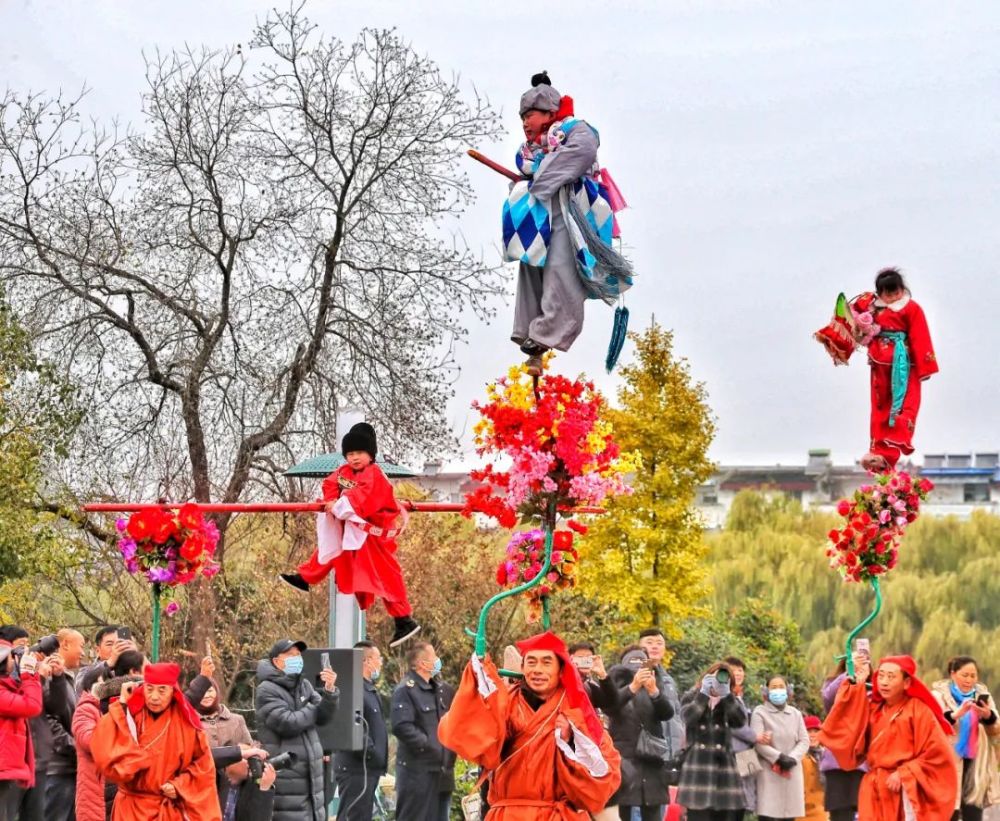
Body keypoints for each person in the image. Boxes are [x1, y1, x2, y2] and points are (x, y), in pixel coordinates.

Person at [505, 72, 632, 374]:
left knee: (562, 268)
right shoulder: (529, 150)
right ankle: (530, 332)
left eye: (530, 115)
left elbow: (583, 152)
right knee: (532, 264)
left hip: (571, 210)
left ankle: (548, 330)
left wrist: (541, 176)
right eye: (522, 116)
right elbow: (525, 167)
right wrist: (536, 176)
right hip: (540, 213)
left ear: (549, 113)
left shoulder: (576, 130)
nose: (525, 122)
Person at [439, 630, 622, 820]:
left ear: (561, 669)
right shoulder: (505, 702)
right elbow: (467, 736)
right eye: (531, 662)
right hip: (507, 814)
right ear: (523, 667)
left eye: (546, 662)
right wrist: (479, 678)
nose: (537, 670)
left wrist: (571, 742)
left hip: (557, 815)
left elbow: (605, 771)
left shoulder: (575, 709)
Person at [280, 422, 421, 647]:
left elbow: (363, 499)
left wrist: (339, 504)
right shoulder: (344, 472)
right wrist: (332, 502)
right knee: (332, 548)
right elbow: (330, 484)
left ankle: (403, 618)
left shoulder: (375, 474)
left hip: (371, 534)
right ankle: (306, 577)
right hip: (353, 527)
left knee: (386, 573)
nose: (354, 458)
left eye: (360, 453)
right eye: (350, 453)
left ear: (371, 454)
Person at [820, 654, 958, 820]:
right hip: (873, 788)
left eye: (891, 677)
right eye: (881, 676)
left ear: (906, 682)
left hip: (902, 789)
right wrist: (857, 682)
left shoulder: (919, 710)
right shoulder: (874, 708)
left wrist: (905, 772)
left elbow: (938, 754)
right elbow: (849, 721)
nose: (884, 682)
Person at [90, 661, 221, 820]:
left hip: (165, 810)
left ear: (173, 691)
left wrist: (180, 785)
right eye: (149, 688)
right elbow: (105, 750)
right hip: (129, 809)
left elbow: (203, 767)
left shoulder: (186, 722)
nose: (154, 697)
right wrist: (123, 702)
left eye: (162, 690)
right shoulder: (130, 713)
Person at [852, 268, 938, 472]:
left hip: (903, 365)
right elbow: (854, 317)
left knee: (902, 406)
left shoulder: (912, 308)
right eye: (887, 293)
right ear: (879, 293)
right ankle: (878, 452)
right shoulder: (873, 308)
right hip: (879, 363)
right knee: (879, 407)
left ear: (902, 289)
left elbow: (920, 335)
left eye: (895, 292)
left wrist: (925, 367)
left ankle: (894, 446)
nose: (892, 297)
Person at [255, 638, 339, 821]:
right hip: (287, 776)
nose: (297, 659)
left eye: (298, 655)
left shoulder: (304, 685)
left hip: (311, 778)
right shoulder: (266, 689)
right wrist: (312, 707)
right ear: (277, 661)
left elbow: (324, 716)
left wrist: (329, 691)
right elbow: (288, 723)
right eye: (291, 655)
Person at [605, 646, 674, 821]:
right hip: (623, 757)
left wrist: (654, 692)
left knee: (652, 809)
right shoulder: (614, 683)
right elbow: (610, 707)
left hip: (652, 757)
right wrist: (633, 686)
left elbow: (667, 713)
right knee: (623, 809)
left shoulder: (655, 681)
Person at [392, 642, 456, 821]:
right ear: (421, 664)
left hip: (442, 771)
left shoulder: (439, 689)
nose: (437, 661)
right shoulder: (406, 690)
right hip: (418, 773)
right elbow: (402, 726)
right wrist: (430, 745)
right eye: (433, 657)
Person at [931, 656, 1000, 820]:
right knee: (949, 810)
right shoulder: (938, 696)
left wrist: (987, 715)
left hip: (976, 761)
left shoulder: (983, 695)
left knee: (973, 811)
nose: (969, 680)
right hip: (948, 761)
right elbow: (933, 723)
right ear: (953, 674)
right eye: (965, 675)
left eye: (973, 675)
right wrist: (956, 714)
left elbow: (996, 728)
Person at [677, 662, 746, 821]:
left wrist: (726, 695)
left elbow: (740, 721)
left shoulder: (731, 700)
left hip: (725, 770)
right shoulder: (692, 696)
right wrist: (703, 694)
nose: (718, 681)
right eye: (714, 677)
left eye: (723, 678)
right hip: (698, 768)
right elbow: (687, 718)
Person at [1, 625, 53, 821]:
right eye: (15, 652)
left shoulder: (8, 686)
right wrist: (29, 673)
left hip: (16, 768)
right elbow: (31, 706)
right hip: (5, 769)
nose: (19, 657)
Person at [335, 641, 388, 821]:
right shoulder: (351, 687)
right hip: (356, 769)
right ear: (366, 661)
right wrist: (372, 753)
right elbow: (352, 726)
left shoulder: (369, 689)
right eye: (378, 658)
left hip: (368, 769)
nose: (380, 662)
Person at [752, 675, 810, 821]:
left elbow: (804, 740)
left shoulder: (795, 714)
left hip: (792, 771)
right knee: (768, 814)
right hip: (769, 772)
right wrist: (778, 757)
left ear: (788, 690)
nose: (778, 691)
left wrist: (792, 758)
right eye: (773, 687)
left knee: (789, 816)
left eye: (781, 687)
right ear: (766, 691)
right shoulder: (759, 712)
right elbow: (757, 741)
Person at [45, 628, 84, 821]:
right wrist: (75, 747)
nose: (83, 653)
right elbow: (47, 720)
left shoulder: (68, 678)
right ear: (65, 644)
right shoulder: (48, 674)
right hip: (56, 769)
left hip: (68, 767)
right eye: (81, 646)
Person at [819, 659, 865, 821]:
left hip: (863, 764)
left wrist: (863, 682)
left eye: (863, 661)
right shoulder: (834, 684)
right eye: (852, 661)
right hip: (836, 763)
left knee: (865, 812)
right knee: (840, 814)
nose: (858, 665)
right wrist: (848, 675)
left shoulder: (872, 687)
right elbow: (827, 698)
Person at [724, 657, 766, 820]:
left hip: (746, 752)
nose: (738, 673)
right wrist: (755, 736)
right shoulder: (724, 696)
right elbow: (734, 724)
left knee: (745, 799)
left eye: (740, 670)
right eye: (733, 670)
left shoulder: (739, 696)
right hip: (732, 752)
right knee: (732, 801)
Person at [637, 629, 684, 761]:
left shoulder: (668, 679)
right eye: (649, 642)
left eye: (659, 643)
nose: (654, 646)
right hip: (647, 751)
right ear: (639, 647)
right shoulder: (635, 675)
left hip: (672, 751)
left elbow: (676, 715)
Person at [71, 665, 111, 821]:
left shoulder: (102, 709)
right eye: (101, 684)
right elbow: (90, 741)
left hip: (104, 789)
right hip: (92, 789)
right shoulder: (85, 709)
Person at [76, 627, 137, 695]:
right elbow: (80, 688)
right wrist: (109, 663)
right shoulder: (86, 670)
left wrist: (136, 657)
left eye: (120, 643)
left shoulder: (133, 667)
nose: (115, 647)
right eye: (110, 644)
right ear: (97, 650)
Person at [568, 642, 619, 714]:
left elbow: (611, 703)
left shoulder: (589, 686)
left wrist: (603, 674)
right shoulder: (561, 682)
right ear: (571, 659)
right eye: (580, 658)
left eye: (588, 658)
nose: (584, 661)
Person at [797, 716, 827, 821]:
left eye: (816, 731)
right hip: (800, 812)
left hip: (822, 812)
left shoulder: (826, 755)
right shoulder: (796, 755)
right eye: (809, 731)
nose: (813, 735)